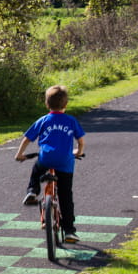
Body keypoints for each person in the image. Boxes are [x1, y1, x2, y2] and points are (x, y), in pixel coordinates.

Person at [15, 85, 86, 243]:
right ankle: (69, 231)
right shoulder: (71, 121)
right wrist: (79, 152)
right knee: (66, 196)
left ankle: (33, 191)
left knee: (37, 168)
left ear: (47, 104)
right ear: (66, 104)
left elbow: (27, 138)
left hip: (46, 158)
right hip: (65, 162)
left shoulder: (43, 120)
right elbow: (81, 142)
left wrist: (19, 154)